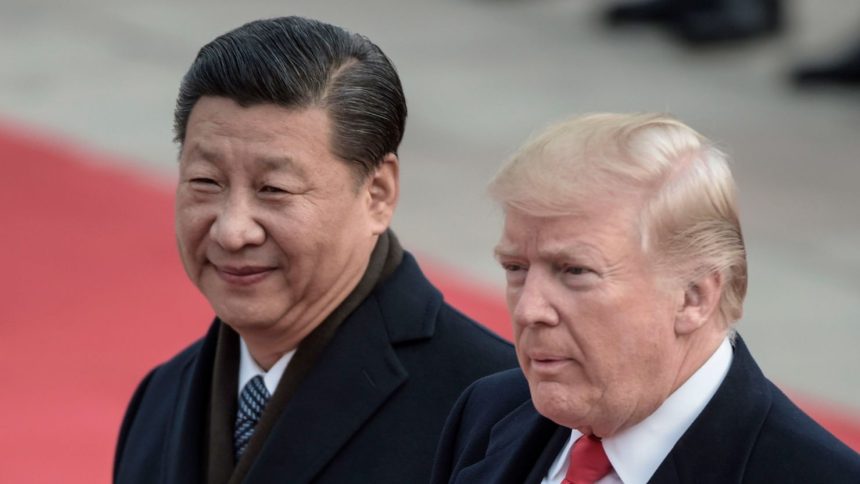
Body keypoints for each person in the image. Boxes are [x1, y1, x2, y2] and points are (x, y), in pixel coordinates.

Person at [113, 16, 516, 484]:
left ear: (377, 194)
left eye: (274, 189)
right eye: (205, 182)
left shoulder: (494, 409)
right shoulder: (162, 396)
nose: (232, 231)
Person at [431, 113, 860, 483]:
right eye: (515, 269)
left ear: (693, 296)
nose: (529, 310)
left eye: (575, 272)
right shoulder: (488, 412)